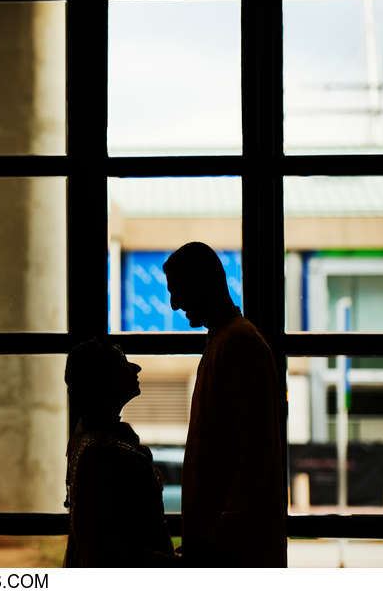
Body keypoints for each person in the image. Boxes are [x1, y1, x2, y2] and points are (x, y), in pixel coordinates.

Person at [163, 241, 286, 567]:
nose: (174, 305)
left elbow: (252, 455)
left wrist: (218, 539)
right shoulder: (230, 340)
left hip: (232, 548)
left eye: (178, 292)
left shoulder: (237, 344)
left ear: (202, 284)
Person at [63, 337, 175, 567]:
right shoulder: (106, 453)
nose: (136, 367)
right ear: (103, 380)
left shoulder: (88, 441)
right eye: (122, 362)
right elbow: (116, 551)